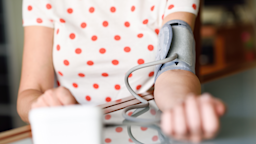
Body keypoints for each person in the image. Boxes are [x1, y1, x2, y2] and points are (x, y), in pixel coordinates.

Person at [18, 0, 226, 143]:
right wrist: (45, 106)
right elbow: (31, 91)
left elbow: (174, 69)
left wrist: (180, 107)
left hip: (150, 136)